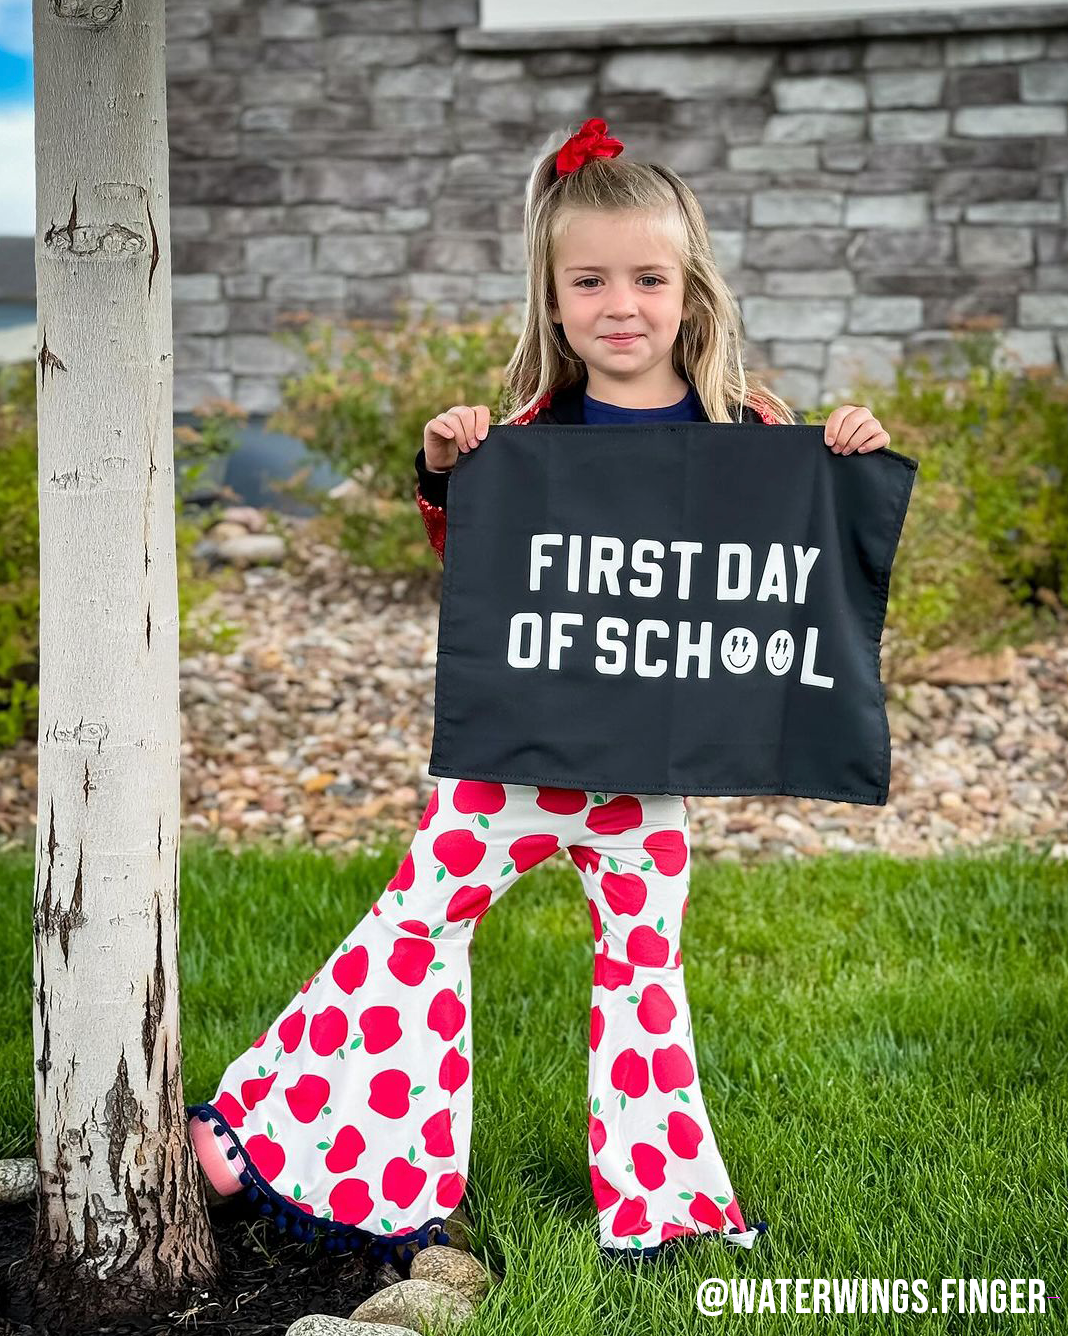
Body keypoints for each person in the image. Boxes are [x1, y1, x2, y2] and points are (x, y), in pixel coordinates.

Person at [187, 117, 891, 1268]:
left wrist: (847, 452)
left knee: (645, 977)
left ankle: (660, 1211)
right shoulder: (525, 435)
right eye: (591, 279)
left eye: (648, 277)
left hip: (644, 777)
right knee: (413, 927)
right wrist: (445, 471)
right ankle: (259, 1127)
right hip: (510, 763)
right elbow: (470, 573)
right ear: (553, 300)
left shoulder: (748, 431)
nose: (622, 302)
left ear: (690, 290)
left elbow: (799, 554)